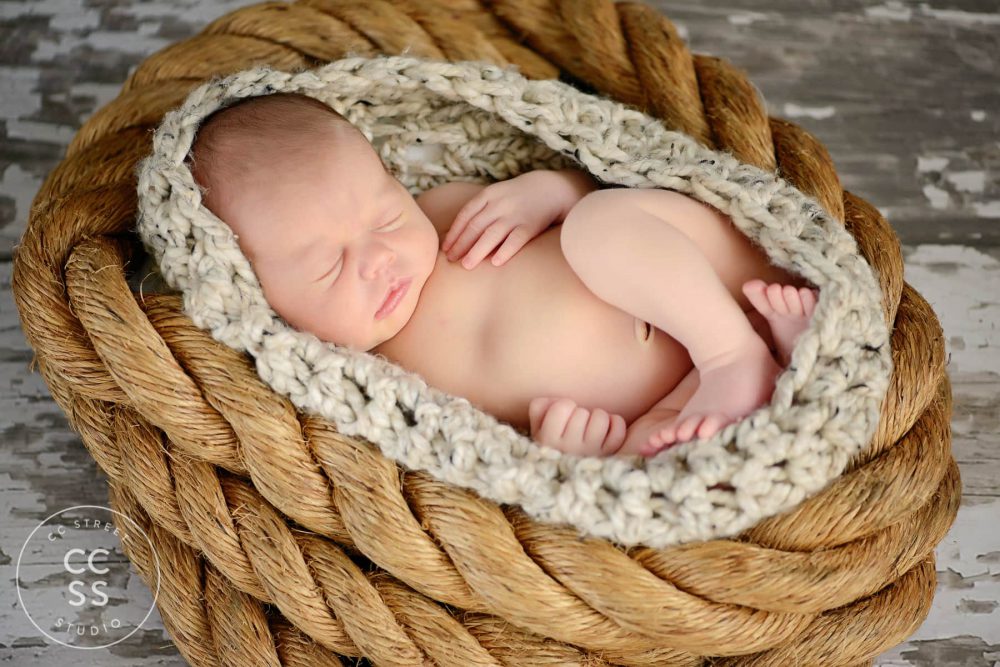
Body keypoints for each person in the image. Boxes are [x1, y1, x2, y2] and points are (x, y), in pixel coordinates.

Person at [188, 92, 818, 458]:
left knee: (598, 223)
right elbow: (481, 462)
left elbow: (606, 189)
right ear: (263, 304)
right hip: (667, 400)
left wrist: (552, 191)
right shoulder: (369, 390)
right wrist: (561, 453)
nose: (380, 257)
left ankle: (734, 347)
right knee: (638, 463)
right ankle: (771, 362)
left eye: (383, 214)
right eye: (329, 266)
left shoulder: (442, 214)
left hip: (697, 270)